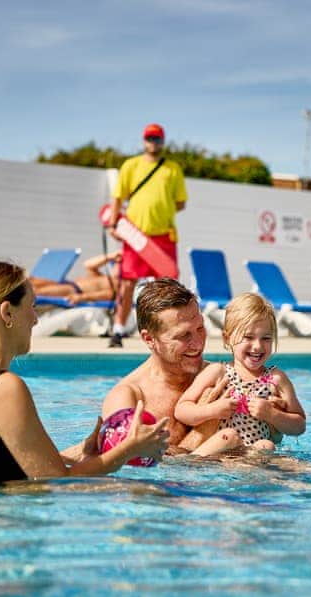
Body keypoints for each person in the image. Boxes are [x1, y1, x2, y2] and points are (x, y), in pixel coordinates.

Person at [0, 260, 169, 487]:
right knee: (146, 492)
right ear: (7, 312)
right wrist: (129, 448)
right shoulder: (2, 387)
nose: (35, 320)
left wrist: (83, 452)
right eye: (32, 307)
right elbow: (56, 482)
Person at [174, 293, 306, 456]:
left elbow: (299, 425)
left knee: (266, 445)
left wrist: (273, 415)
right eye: (248, 337)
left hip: (253, 455)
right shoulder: (218, 372)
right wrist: (212, 410)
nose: (257, 346)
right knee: (228, 436)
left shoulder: (276, 379)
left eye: (266, 338)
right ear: (227, 338)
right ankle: (189, 465)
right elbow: (181, 410)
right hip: (220, 452)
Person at [101, 278, 214, 450]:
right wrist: (208, 424)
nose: (198, 343)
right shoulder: (130, 398)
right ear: (149, 339)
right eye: (183, 335)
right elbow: (127, 467)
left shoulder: (218, 376)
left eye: (200, 328)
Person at [105, 123, 188, 348]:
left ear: (163, 141)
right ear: (144, 141)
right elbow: (117, 198)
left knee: (167, 286)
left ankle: (168, 330)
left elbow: (181, 202)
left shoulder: (172, 169)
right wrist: (114, 224)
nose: (153, 143)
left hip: (163, 236)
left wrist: (161, 209)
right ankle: (118, 330)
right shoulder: (130, 166)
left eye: (157, 139)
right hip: (135, 237)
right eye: (150, 139)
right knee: (127, 283)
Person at [30, 250, 121, 305]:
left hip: (73, 290)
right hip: (68, 283)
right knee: (31, 280)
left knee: (37, 292)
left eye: (119, 264)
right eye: (116, 264)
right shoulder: (102, 276)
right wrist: (110, 257)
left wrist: (81, 297)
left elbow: (109, 295)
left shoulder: (119, 284)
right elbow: (88, 265)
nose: (116, 265)